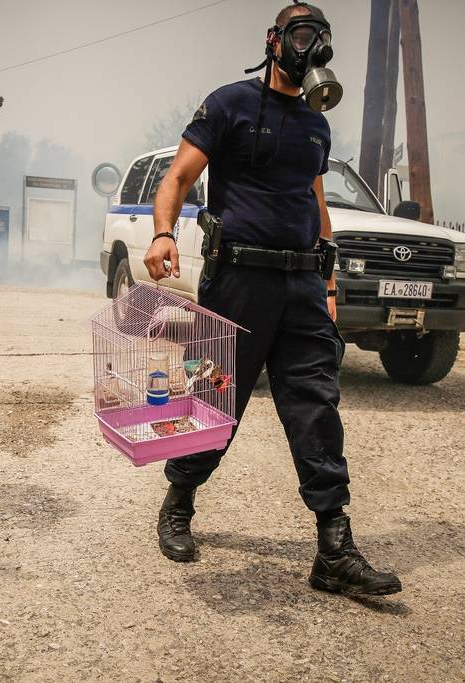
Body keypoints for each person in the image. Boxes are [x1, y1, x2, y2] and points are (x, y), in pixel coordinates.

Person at [143, 2, 401, 595]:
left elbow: (315, 201)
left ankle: (333, 549)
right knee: (218, 398)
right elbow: (179, 177)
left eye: (322, 37)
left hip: (303, 285)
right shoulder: (230, 103)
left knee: (316, 405)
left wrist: (329, 282)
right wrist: (163, 232)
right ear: (275, 40)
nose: (313, 47)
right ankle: (179, 501)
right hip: (240, 280)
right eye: (304, 34)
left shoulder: (316, 123)